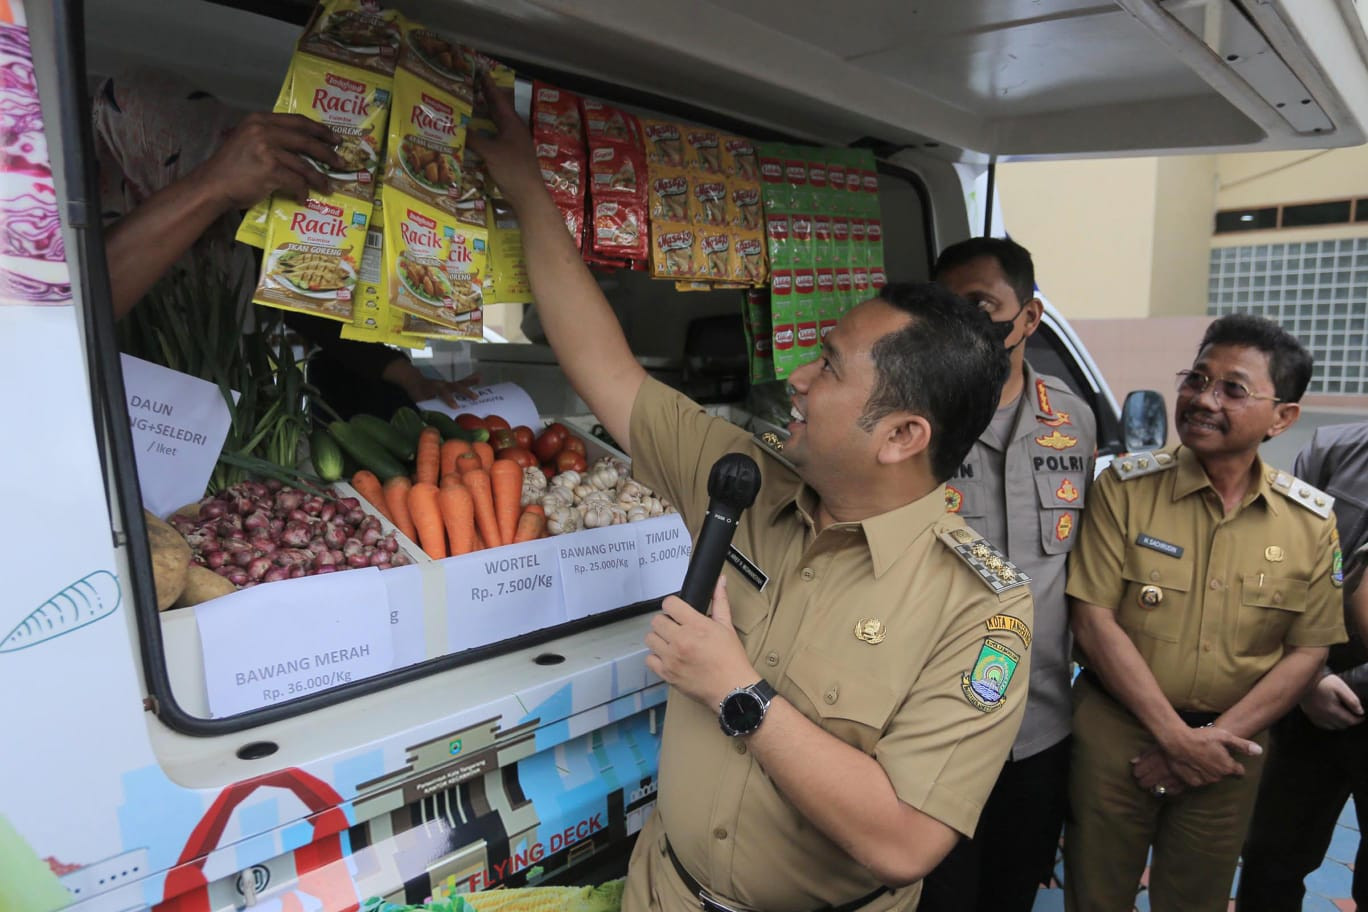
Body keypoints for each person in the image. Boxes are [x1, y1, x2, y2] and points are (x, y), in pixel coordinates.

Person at [469, 75, 1035, 912]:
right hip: (661, 893)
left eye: (831, 365)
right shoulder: (746, 478)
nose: (797, 378)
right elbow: (609, 373)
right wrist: (526, 190)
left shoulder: (980, 610)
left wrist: (735, 688)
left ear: (902, 435)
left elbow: (905, 841)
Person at [1062, 314, 1347, 912]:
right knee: (1096, 896)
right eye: (1196, 378)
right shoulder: (1124, 491)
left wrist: (1208, 743)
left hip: (1230, 754)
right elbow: (1093, 621)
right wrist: (1174, 737)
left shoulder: (1311, 522)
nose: (1201, 399)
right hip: (1116, 741)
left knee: (1197, 900)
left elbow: (1309, 652)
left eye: (1232, 389)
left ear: (1283, 418)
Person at [94, 69, 476, 415]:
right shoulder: (163, 135)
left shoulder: (246, 227)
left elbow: (298, 297)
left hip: (195, 407)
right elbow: (80, 300)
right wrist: (215, 185)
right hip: (118, 397)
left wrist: (406, 376)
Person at [918, 238, 1096, 912]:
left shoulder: (1073, 421)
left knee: (1012, 893)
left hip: (1041, 724)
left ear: (1030, 316)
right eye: (946, 308)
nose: (965, 322)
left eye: (982, 305)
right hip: (936, 724)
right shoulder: (916, 423)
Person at [1236, 421, 1368, 912]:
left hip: (1336, 687)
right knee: (1271, 859)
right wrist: (1310, 679)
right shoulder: (1333, 451)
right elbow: (1270, 568)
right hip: (1307, 700)